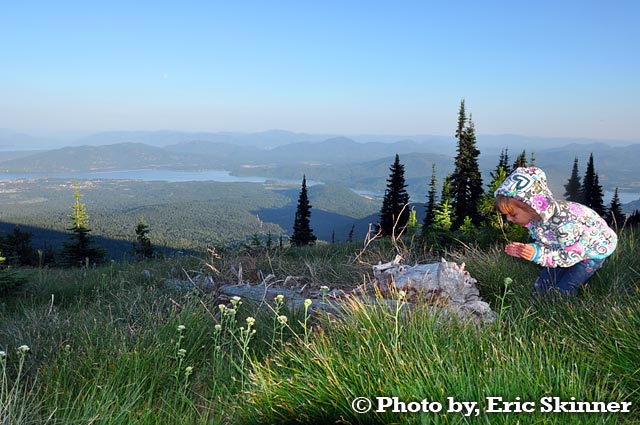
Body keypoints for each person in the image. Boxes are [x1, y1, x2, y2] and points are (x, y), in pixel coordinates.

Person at [494, 166, 617, 298]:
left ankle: (564, 312)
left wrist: (537, 254)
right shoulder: (536, 218)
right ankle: (539, 308)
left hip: (591, 250)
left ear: (530, 206)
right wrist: (531, 249)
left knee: (564, 289)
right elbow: (549, 242)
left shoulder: (565, 223)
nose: (509, 219)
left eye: (513, 214)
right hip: (566, 247)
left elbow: (570, 257)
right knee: (542, 286)